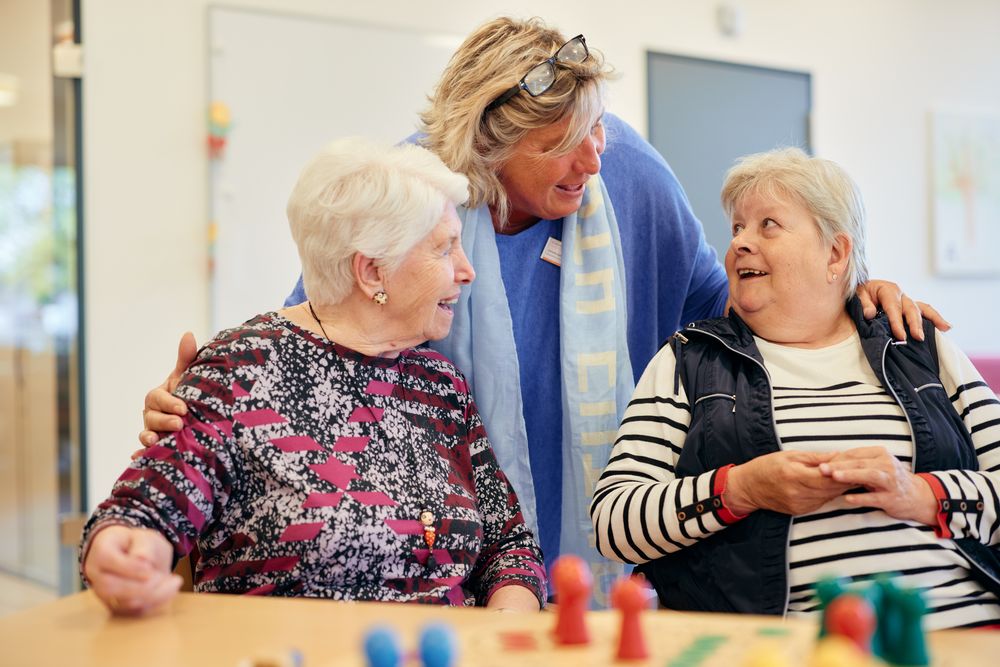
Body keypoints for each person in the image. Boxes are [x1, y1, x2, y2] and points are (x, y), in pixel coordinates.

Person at [139, 17, 945, 599]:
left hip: (612, 550)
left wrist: (852, 297)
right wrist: (214, 401)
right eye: (562, 142)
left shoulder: (626, 172)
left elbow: (737, 313)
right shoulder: (412, 191)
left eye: (597, 129)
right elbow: (324, 336)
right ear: (489, 146)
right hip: (447, 561)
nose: (593, 156)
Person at [82, 138, 545, 616]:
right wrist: (129, 551)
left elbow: (510, 549)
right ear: (372, 272)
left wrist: (501, 629)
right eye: (445, 249)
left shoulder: (440, 385)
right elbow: (146, 508)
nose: (467, 271)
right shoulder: (243, 369)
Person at [590, 147, 1000, 629]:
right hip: (784, 646)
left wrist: (921, 494)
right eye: (737, 227)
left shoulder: (915, 342)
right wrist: (739, 490)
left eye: (768, 225)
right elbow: (613, 522)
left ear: (835, 253)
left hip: (963, 631)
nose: (740, 243)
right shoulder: (689, 359)